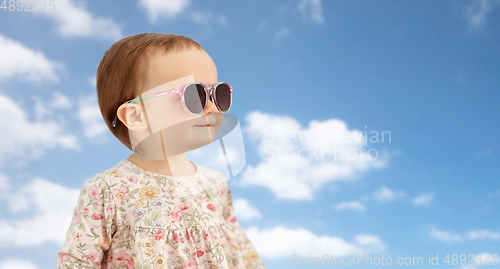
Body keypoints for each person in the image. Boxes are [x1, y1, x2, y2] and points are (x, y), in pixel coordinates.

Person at [56, 33, 267, 269]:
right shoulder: (108, 190)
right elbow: (77, 261)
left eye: (218, 94)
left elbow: (243, 251)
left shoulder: (214, 184)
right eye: (194, 95)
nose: (211, 108)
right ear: (137, 116)